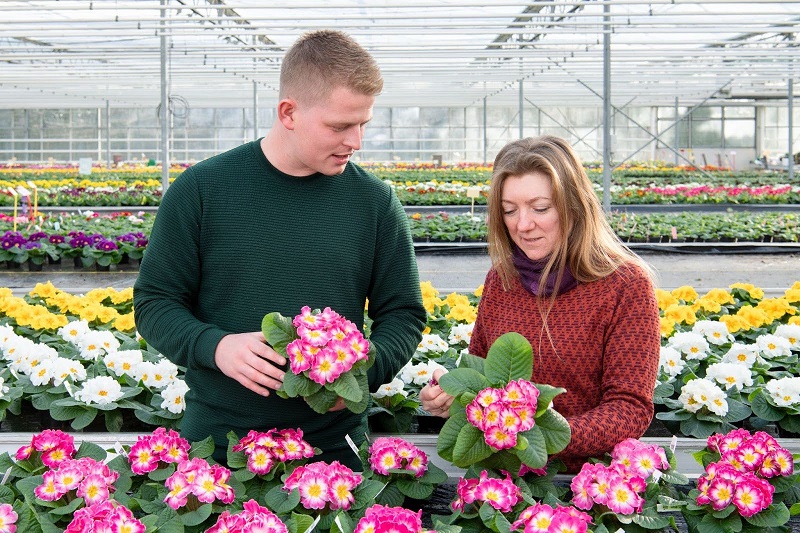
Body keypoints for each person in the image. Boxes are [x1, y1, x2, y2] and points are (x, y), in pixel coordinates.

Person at [133, 29, 426, 469]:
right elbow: (155, 302)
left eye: (363, 123)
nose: (356, 141)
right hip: (217, 453)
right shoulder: (201, 190)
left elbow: (403, 313)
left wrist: (361, 376)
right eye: (340, 126)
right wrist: (215, 346)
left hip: (333, 458)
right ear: (288, 112)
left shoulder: (374, 203)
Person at [420, 135, 660, 473]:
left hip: (590, 484)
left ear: (573, 206)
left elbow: (629, 408)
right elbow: (484, 381)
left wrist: (536, 437)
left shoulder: (624, 286)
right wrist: (451, 395)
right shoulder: (501, 281)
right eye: (509, 210)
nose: (522, 224)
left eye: (540, 208)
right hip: (503, 480)